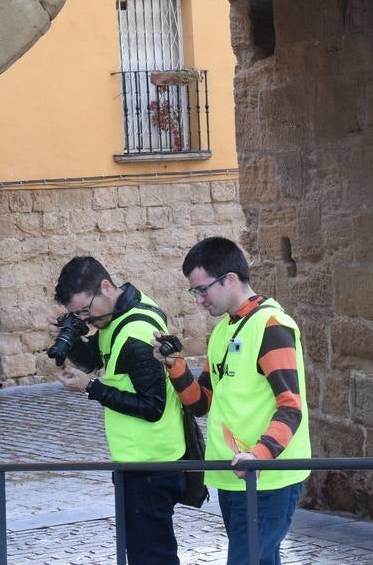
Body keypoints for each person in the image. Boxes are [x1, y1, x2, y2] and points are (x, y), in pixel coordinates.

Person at [156, 237, 310, 565]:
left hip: (266, 478)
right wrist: (176, 366)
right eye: (194, 292)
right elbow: (203, 403)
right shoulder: (222, 333)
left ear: (229, 279)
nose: (198, 300)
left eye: (202, 289)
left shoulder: (271, 326)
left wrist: (259, 455)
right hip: (233, 476)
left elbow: (290, 405)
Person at [50, 255, 185, 565]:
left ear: (106, 287)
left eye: (86, 310)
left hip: (150, 464)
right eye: (76, 315)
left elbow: (153, 406)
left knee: (152, 558)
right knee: (145, 554)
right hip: (139, 461)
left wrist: (90, 387)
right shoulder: (118, 315)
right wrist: (65, 340)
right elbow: (96, 359)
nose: (85, 319)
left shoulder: (137, 335)